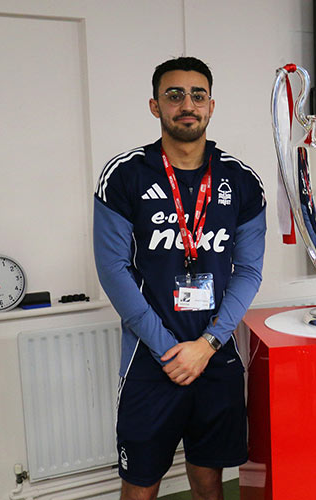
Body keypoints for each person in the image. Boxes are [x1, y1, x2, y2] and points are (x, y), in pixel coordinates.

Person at [93, 56, 266, 500]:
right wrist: (169, 349)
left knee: (209, 479)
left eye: (197, 95)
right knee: (140, 484)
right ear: (155, 106)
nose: (186, 104)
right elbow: (113, 269)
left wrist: (206, 346)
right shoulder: (125, 175)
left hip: (215, 355)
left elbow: (247, 271)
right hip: (151, 360)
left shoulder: (242, 180)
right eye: (174, 95)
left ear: (211, 106)